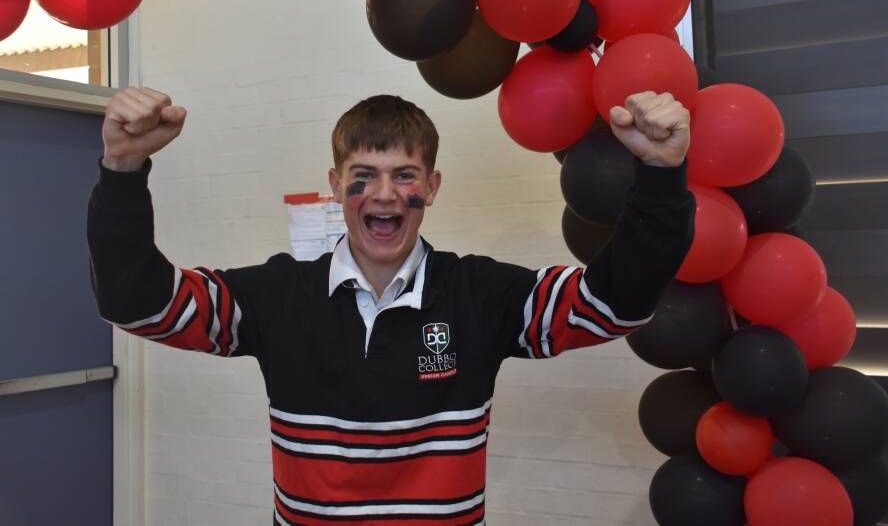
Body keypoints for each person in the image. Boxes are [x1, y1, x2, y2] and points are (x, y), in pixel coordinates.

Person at [88, 86, 695, 525]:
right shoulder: (276, 296)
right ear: (335, 184)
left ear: (431, 187)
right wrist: (122, 169)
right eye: (364, 174)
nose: (384, 195)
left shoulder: (481, 295)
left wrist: (662, 176)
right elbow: (140, 305)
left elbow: (610, 306)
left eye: (406, 174)